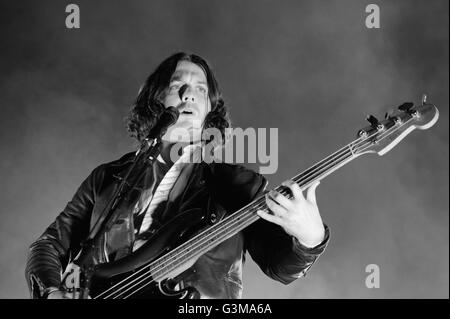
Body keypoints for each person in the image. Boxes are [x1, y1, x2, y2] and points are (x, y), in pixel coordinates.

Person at [25, 52, 330, 299]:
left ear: (210, 109)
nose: (189, 94)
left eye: (201, 89)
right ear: (155, 100)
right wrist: (52, 291)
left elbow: (280, 266)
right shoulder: (107, 178)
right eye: (176, 85)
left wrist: (310, 237)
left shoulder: (237, 185)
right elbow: (49, 245)